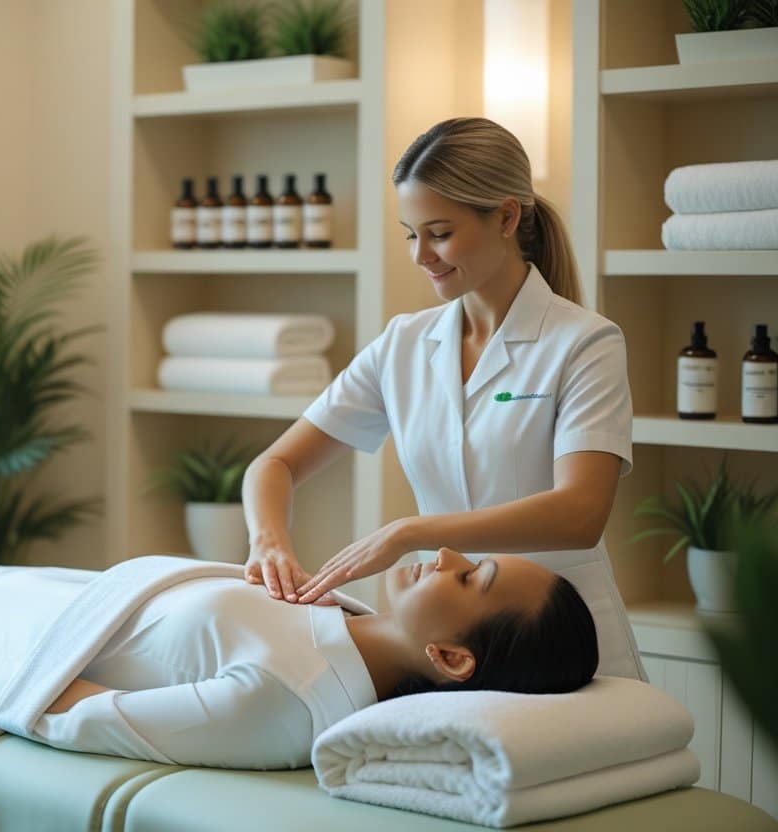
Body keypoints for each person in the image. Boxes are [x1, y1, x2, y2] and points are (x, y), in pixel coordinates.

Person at [242, 117, 644, 680]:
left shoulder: (584, 342)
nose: (420, 255)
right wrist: (269, 541)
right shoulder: (404, 343)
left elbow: (580, 513)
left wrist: (412, 532)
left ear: (506, 217)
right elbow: (276, 463)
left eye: (439, 232)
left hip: (560, 645)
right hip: (447, 649)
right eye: (411, 234)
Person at [0, 531, 599, 770]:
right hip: (98, 600)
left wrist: (10, 662)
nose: (448, 553)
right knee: (11, 582)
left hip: (43, 643)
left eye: (472, 578)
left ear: (452, 659)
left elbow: (95, 718)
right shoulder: (344, 612)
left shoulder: (288, 699)